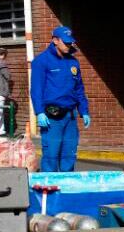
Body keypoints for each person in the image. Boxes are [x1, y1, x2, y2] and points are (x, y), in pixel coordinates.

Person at [31, 26, 90, 172]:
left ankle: (66, 187)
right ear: (55, 40)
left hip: (70, 116)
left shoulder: (73, 62)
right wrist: (39, 112)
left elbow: (79, 88)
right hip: (52, 117)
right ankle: (48, 189)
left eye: (71, 43)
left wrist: (84, 110)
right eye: (66, 42)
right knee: (51, 154)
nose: (69, 46)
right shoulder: (42, 61)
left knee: (69, 154)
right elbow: (36, 89)